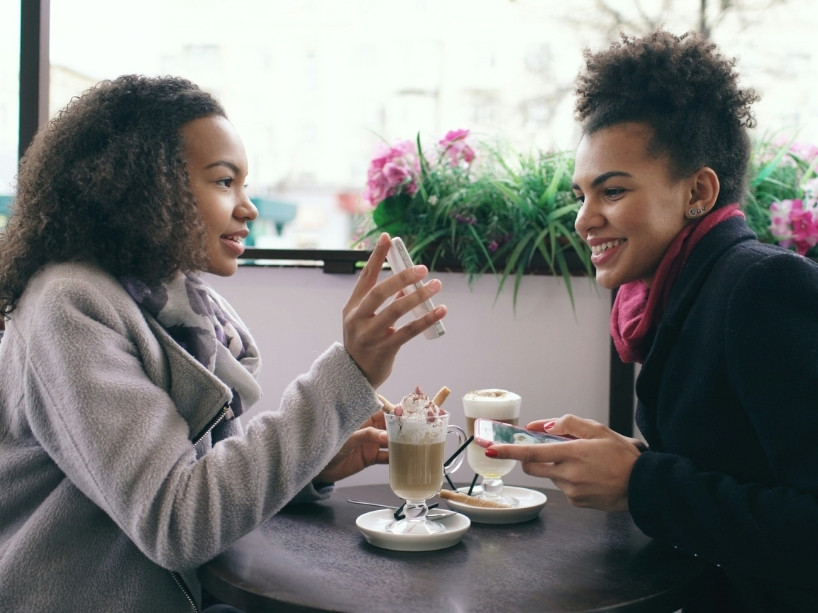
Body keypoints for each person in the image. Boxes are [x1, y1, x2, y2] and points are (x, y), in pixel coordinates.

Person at [0, 75, 447, 612]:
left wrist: (318, 464)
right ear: (147, 187)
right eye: (223, 182)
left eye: (245, 183)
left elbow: (203, 485)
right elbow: (176, 521)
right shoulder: (70, 306)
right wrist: (349, 372)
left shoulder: (181, 309)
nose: (248, 208)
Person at [486, 30, 818, 611]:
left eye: (611, 191)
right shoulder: (679, 293)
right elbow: (740, 465)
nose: (585, 220)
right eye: (581, 195)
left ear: (698, 191)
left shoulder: (761, 288)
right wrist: (631, 460)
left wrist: (640, 483)